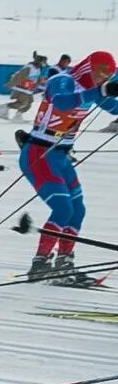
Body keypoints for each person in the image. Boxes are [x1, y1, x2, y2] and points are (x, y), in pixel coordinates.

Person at [19, 49, 118, 285]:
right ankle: (40, 264)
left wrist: (104, 93)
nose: (103, 78)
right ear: (88, 67)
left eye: (109, 75)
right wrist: (100, 91)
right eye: (101, 72)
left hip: (60, 157)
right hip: (39, 153)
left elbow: (112, 107)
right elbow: (62, 103)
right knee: (62, 209)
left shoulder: (94, 90)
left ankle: (64, 262)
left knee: (77, 210)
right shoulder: (62, 80)